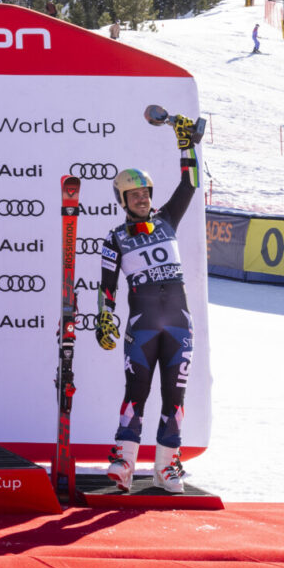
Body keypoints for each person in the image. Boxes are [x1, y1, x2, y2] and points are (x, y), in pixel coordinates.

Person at [94, 115, 200, 494]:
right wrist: (104, 317)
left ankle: (167, 467)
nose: (143, 198)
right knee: (135, 393)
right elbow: (106, 286)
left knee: (175, 396)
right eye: (134, 194)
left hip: (178, 323)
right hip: (141, 326)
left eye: (146, 192)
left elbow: (190, 184)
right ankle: (123, 461)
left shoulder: (168, 218)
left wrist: (186, 146)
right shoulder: (115, 237)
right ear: (122, 200)